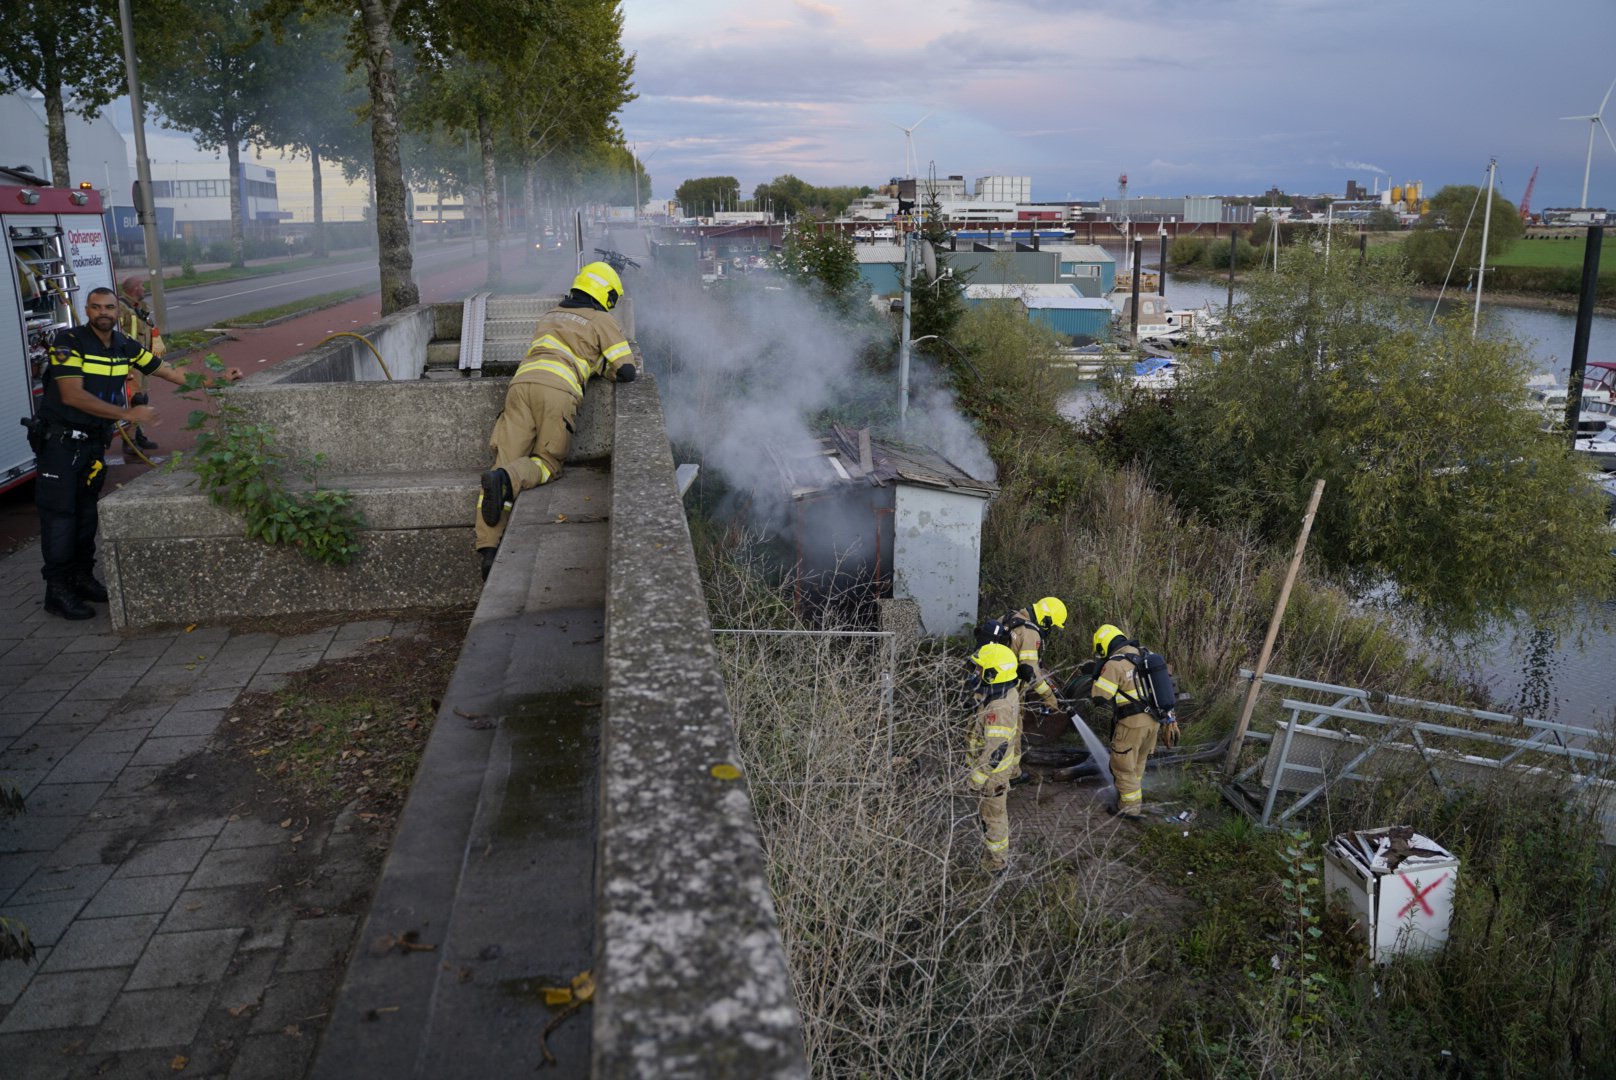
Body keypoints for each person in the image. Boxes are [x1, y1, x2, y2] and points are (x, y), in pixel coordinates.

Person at [33, 287, 242, 619]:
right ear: (87, 310)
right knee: (60, 518)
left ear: (118, 312)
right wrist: (128, 414)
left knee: (86, 517)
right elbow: (72, 395)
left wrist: (217, 381)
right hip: (61, 444)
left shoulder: (123, 345)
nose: (103, 312)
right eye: (96, 307)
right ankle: (56, 591)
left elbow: (169, 371)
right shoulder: (69, 343)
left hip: (92, 444)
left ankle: (81, 578)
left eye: (109, 307)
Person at [474, 261, 638, 578]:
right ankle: (508, 479)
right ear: (605, 294)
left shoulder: (551, 315)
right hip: (557, 390)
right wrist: (603, 364)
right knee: (547, 463)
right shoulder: (601, 320)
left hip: (520, 386)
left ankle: (488, 550)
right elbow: (627, 371)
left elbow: (565, 351)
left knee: (502, 461)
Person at [1088, 623, 1179, 821]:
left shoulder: (1115, 664)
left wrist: (1097, 675)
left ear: (1104, 646)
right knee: (1137, 763)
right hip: (1153, 722)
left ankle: (1129, 809)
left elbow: (1099, 697)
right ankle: (1131, 798)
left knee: (1122, 766)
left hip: (1131, 725)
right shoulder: (1146, 654)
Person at [966, 641, 1023, 874]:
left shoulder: (999, 708)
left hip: (992, 777)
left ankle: (996, 863)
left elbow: (995, 752)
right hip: (993, 773)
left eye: (981, 669)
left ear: (993, 674)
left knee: (994, 819)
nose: (976, 672)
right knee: (990, 816)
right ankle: (994, 857)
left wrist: (976, 780)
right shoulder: (1004, 690)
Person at [117, 275, 163, 453]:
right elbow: (118, 334)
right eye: (142, 286)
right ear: (135, 288)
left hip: (141, 360)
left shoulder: (139, 306)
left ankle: (139, 435)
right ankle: (129, 441)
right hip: (131, 364)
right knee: (135, 401)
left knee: (143, 399)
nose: (144, 289)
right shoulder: (121, 307)